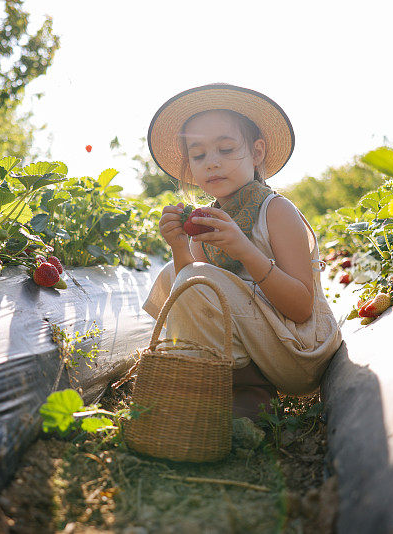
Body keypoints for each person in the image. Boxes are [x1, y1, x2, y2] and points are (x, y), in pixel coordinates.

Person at [142, 83, 343, 422]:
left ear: (257, 152)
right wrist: (179, 245)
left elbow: (301, 306)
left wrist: (246, 250)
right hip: (256, 344)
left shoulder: (276, 211)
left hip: (297, 351)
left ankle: (253, 390)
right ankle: (222, 386)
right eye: (199, 155)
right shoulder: (207, 223)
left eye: (226, 148)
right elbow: (194, 298)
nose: (212, 163)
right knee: (178, 276)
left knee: (194, 277)